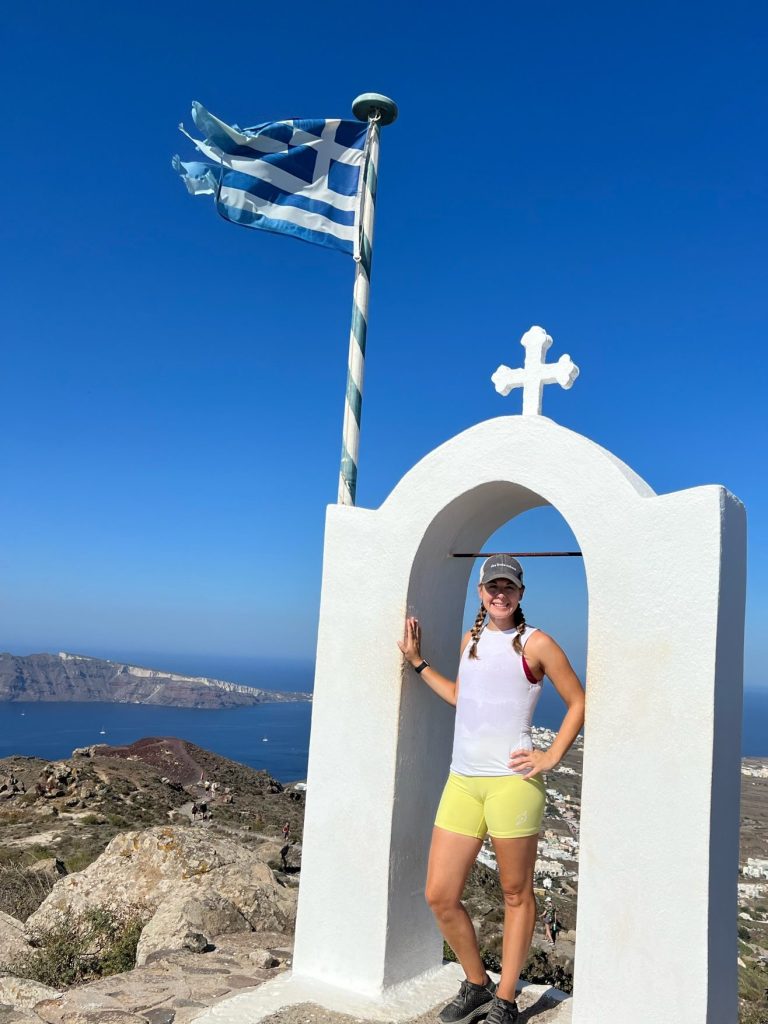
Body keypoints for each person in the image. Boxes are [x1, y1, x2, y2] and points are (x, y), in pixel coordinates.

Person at [398, 554, 585, 1024]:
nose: (500, 593)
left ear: (521, 593)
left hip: (513, 786)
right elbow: (464, 698)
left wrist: (550, 756)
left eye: (509, 586)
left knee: (516, 893)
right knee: (440, 894)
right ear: (480, 593)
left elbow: (578, 701)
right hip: (462, 780)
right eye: (492, 586)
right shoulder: (472, 640)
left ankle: (505, 999)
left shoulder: (536, 643)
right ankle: (477, 982)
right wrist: (419, 664)